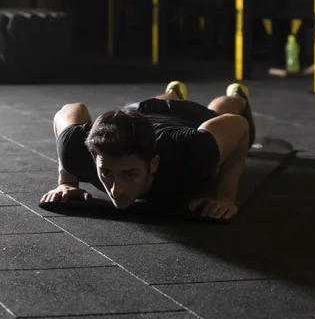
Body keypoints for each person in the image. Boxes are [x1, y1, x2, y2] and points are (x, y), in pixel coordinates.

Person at [40, 81, 256, 221]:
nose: (116, 191)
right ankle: (173, 92)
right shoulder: (77, 152)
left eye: (130, 174)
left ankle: (237, 95)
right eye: (106, 173)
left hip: (189, 118)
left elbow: (238, 125)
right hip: (137, 113)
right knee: (153, 104)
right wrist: (66, 182)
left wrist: (225, 196)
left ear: (153, 164)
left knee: (218, 111)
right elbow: (70, 109)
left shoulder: (190, 151)